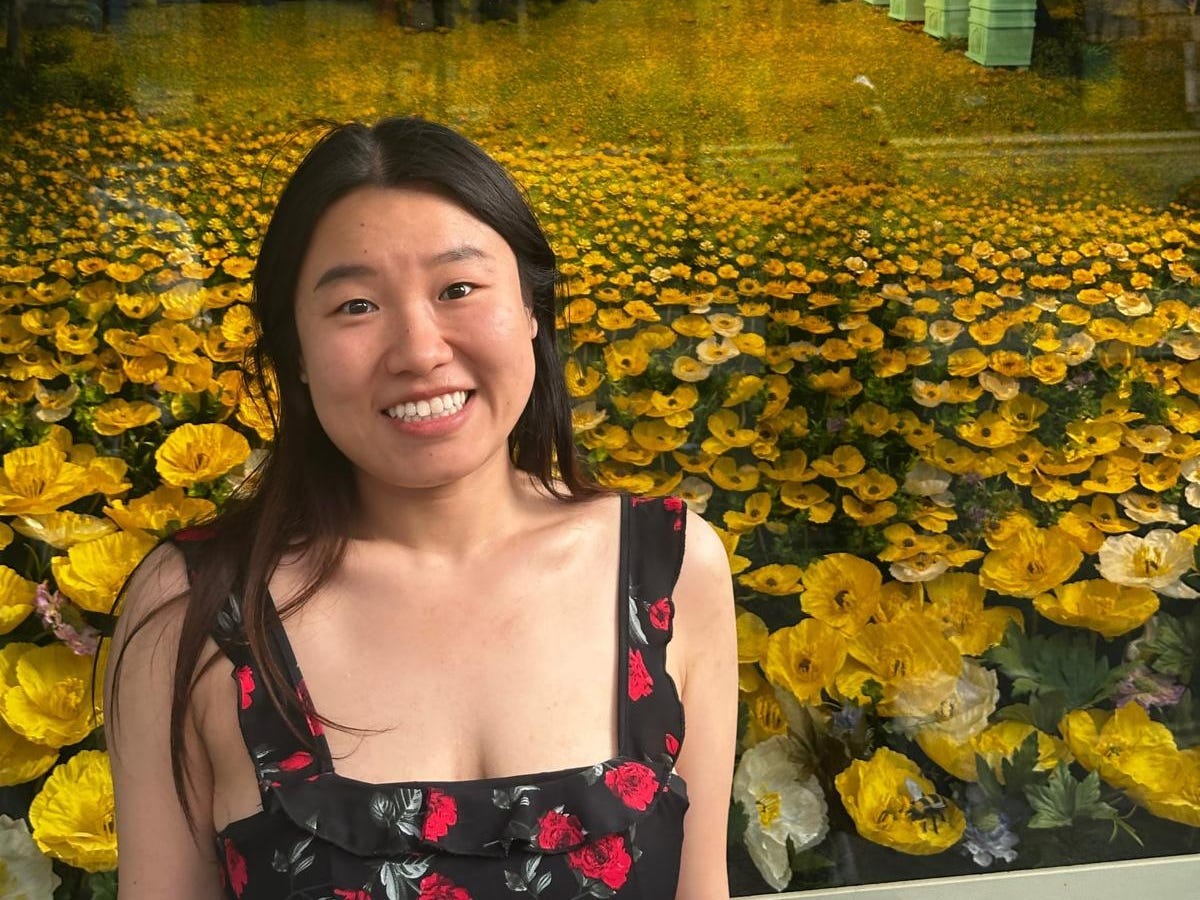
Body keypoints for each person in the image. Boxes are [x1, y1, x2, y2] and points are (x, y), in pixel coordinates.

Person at [104, 116, 738, 899]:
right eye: (356, 306)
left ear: (532, 309)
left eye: (458, 289)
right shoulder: (192, 607)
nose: (418, 350)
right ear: (294, 351)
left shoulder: (671, 569)